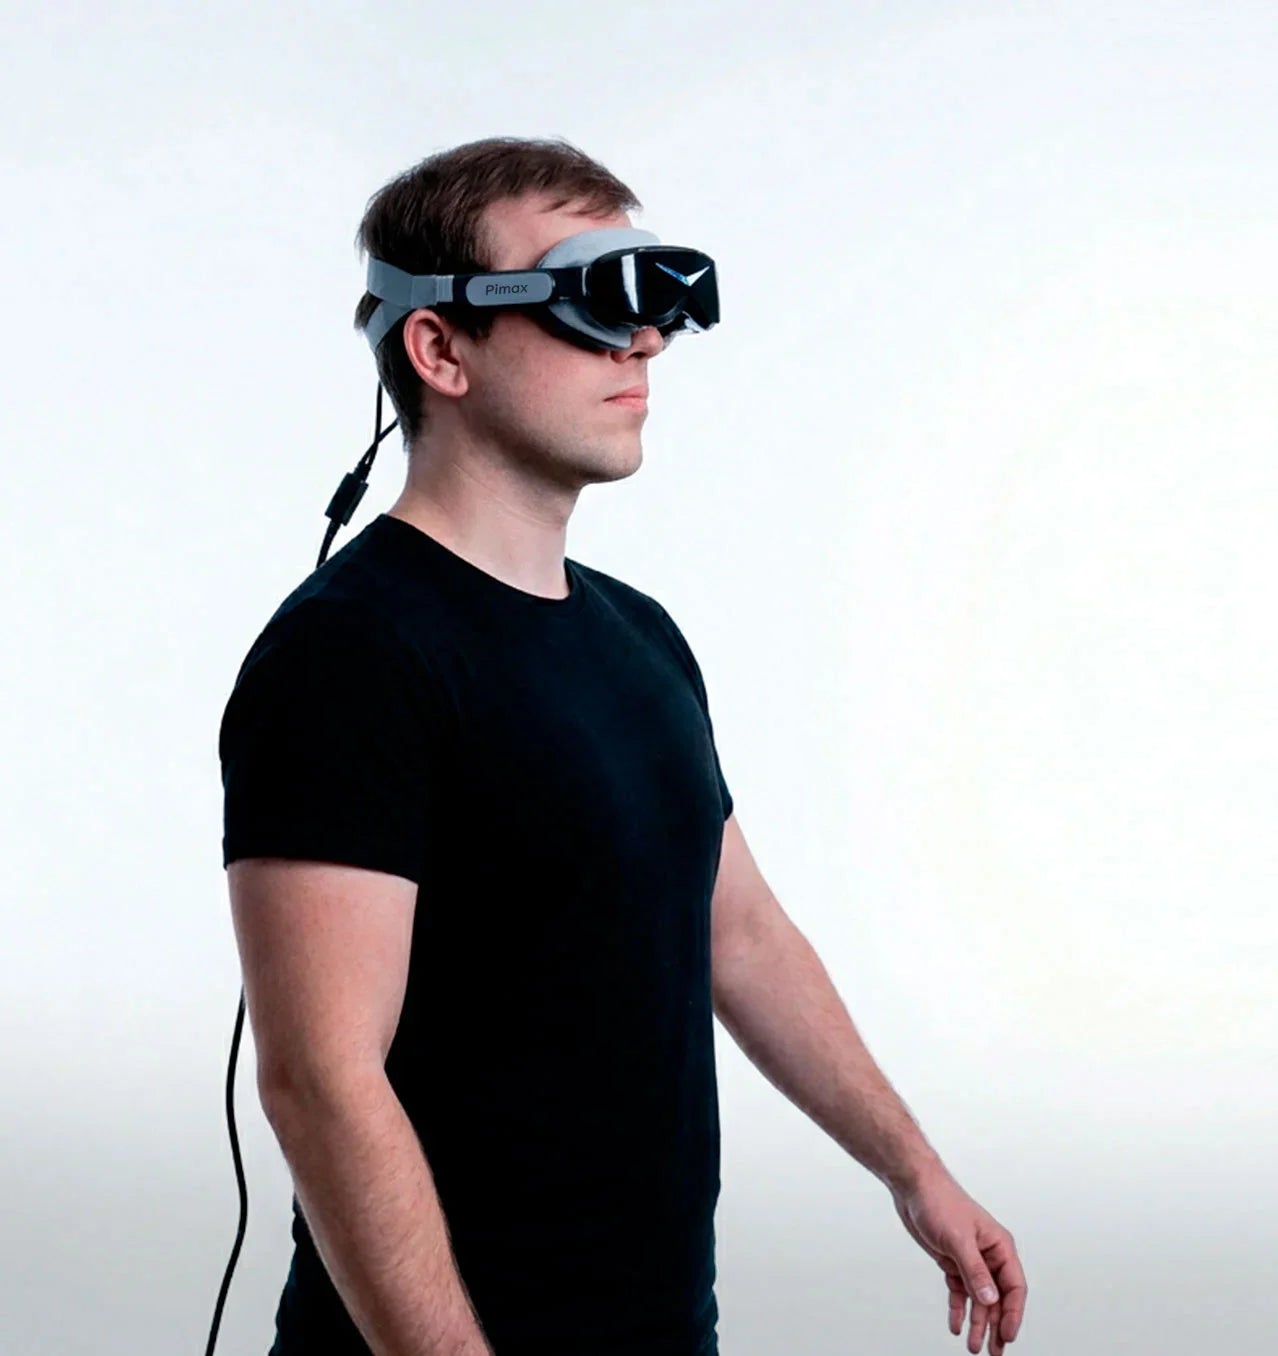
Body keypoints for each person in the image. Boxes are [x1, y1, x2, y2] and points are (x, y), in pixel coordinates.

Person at [218, 136, 1026, 1356]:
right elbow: (320, 1080)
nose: (642, 341)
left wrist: (914, 1170)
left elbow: (737, 933)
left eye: (653, 306)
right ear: (439, 349)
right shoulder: (351, 656)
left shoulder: (639, 636)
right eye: (589, 299)